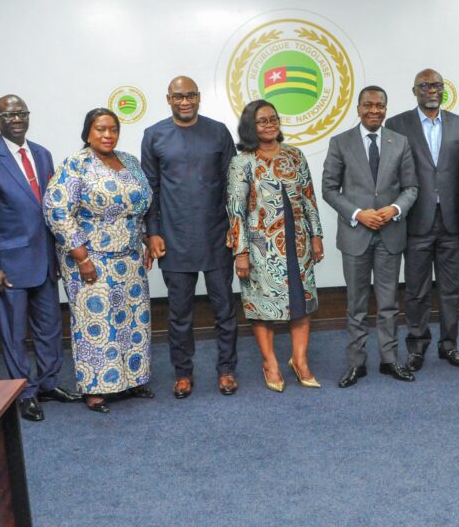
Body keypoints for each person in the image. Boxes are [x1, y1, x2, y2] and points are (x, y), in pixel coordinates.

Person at [0, 95, 81, 421]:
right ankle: (25, 392)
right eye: (8, 114)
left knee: (49, 329)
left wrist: (58, 257)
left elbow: (51, 209)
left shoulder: (43, 154)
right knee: (14, 334)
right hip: (9, 267)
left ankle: (48, 384)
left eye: (21, 113)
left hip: (45, 261)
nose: (16, 119)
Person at [44, 108, 154, 413]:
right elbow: (57, 210)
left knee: (132, 319)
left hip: (129, 256)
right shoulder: (76, 165)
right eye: (100, 129)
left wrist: (145, 238)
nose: (108, 135)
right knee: (97, 322)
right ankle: (95, 389)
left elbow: (141, 204)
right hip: (91, 258)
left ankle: (132, 379)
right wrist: (81, 257)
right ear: (87, 133)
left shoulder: (129, 161)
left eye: (113, 129)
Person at [141, 76, 240, 399]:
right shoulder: (154, 135)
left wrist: (235, 231)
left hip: (217, 237)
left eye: (191, 96)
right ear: (168, 99)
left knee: (224, 310)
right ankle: (183, 373)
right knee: (179, 313)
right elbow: (150, 191)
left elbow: (234, 186)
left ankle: (226, 370)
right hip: (174, 240)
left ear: (199, 97)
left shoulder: (219, 131)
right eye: (178, 97)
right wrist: (152, 234)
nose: (185, 102)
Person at [322, 86, 419, 388]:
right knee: (357, 304)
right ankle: (356, 364)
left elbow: (411, 188)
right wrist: (358, 214)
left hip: (390, 233)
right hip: (356, 234)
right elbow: (328, 189)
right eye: (368, 105)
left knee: (389, 303)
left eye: (380, 106)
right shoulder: (340, 142)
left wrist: (394, 209)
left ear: (386, 109)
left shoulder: (400, 142)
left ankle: (390, 360)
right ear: (358, 108)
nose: (374, 110)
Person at [227, 100, 325, 392]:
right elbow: (235, 211)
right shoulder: (242, 161)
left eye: (273, 119)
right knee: (261, 306)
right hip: (261, 248)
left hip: (298, 244)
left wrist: (316, 235)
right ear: (250, 127)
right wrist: (241, 252)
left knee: (302, 302)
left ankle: (300, 360)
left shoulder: (295, 155)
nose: (270, 125)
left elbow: (308, 198)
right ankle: (269, 361)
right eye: (262, 121)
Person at [384, 68, 459, 371]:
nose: (431, 90)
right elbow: (391, 176)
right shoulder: (396, 124)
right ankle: (417, 346)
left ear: (443, 90)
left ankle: (449, 345)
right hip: (414, 219)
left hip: (451, 220)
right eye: (425, 86)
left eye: (436, 86)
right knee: (416, 290)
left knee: (451, 289)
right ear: (414, 91)